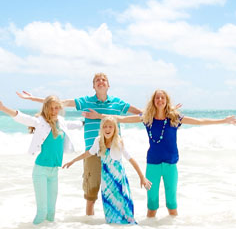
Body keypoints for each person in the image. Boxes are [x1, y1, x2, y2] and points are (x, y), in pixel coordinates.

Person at [87, 89, 236, 217]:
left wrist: (223, 120)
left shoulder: (174, 118)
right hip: (152, 164)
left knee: (171, 203)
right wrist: (100, 116)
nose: (159, 100)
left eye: (162, 97)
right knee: (152, 204)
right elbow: (122, 119)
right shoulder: (147, 118)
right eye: (157, 98)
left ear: (166, 100)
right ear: (153, 101)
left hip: (170, 164)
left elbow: (199, 121)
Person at [17, 72, 142, 216]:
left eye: (104, 80)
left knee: (116, 189)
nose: (101, 82)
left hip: (113, 150)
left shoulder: (118, 103)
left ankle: (116, 222)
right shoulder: (86, 101)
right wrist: (32, 98)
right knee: (91, 192)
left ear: (108, 85)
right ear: (93, 86)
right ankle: (89, 224)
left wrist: (161, 113)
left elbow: (141, 114)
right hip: (92, 150)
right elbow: (60, 103)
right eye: (97, 80)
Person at [0, 95, 81, 225]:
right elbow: (21, 117)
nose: (54, 111)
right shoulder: (40, 122)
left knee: (51, 212)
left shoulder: (62, 122)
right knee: (42, 211)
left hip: (54, 172)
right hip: (40, 171)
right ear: (46, 108)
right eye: (51, 108)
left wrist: (94, 120)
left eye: (56, 108)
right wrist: (2, 108)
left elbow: (77, 124)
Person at [62, 116, 151, 225]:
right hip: (107, 183)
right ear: (101, 128)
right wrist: (73, 161)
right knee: (110, 212)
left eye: (110, 127)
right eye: (105, 127)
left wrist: (142, 177)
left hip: (119, 181)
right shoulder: (98, 141)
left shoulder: (118, 142)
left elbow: (131, 159)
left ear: (115, 129)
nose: (107, 129)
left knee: (125, 210)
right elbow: (88, 153)